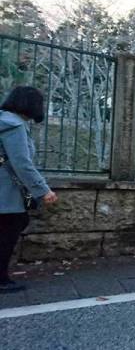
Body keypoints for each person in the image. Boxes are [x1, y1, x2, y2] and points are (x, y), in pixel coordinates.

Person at [0, 86, 58, 293]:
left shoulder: (3, 120)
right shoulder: (14, 126)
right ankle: (1, 279)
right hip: (5, 191)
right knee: (10, 228)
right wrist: (43, 190)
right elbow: (22, 163)